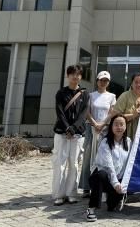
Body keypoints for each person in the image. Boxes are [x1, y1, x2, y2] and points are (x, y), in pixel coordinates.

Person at [111, 73, 140, 204]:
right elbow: (115, 115)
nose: (139, 84)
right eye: (136, 82)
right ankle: (121, 191)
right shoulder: (125, 96)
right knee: (123, 164)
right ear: (132, 83)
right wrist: (133, 115)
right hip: (127, 136)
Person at [52, 64, 89, 206]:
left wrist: (73, 128)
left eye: (78, 74)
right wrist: (67, 128)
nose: (75, 76)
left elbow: (83, 114)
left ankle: (71, 193)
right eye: (72, 74)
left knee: (74, 164)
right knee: (60, 164)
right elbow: (60, 112)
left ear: (81, 76)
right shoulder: (61, 93)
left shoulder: (84, 94)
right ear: (67, 76)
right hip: (61, 133)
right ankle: (59, 195)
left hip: (77, 134)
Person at [86, 114, 131, 221]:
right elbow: (108, 166)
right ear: (111, 126)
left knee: (112, 206)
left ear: (125, 126)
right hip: (104, 179)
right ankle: (91, 209)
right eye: (116, 124)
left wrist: (123, 183)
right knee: (100, 175)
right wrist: (115, 183)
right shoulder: (105, 142)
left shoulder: (129, 141)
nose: (119, 127)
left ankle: (116, 198)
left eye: (122, 124)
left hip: (118, 181)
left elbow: (130, 163)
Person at [79, 71, 117, 197]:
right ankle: (86, 186)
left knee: (104, 158)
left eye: (106, 80)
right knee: (88, 157)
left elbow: (112, 112)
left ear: (108, 82)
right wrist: (95, 124)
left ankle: (103, 186)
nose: (103, 82)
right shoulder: (91, 95)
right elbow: (87, 112)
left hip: (105, 129)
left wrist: (103, 124)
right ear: (97, 81)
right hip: (91, 128)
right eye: (101, 80)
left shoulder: (112, 96)